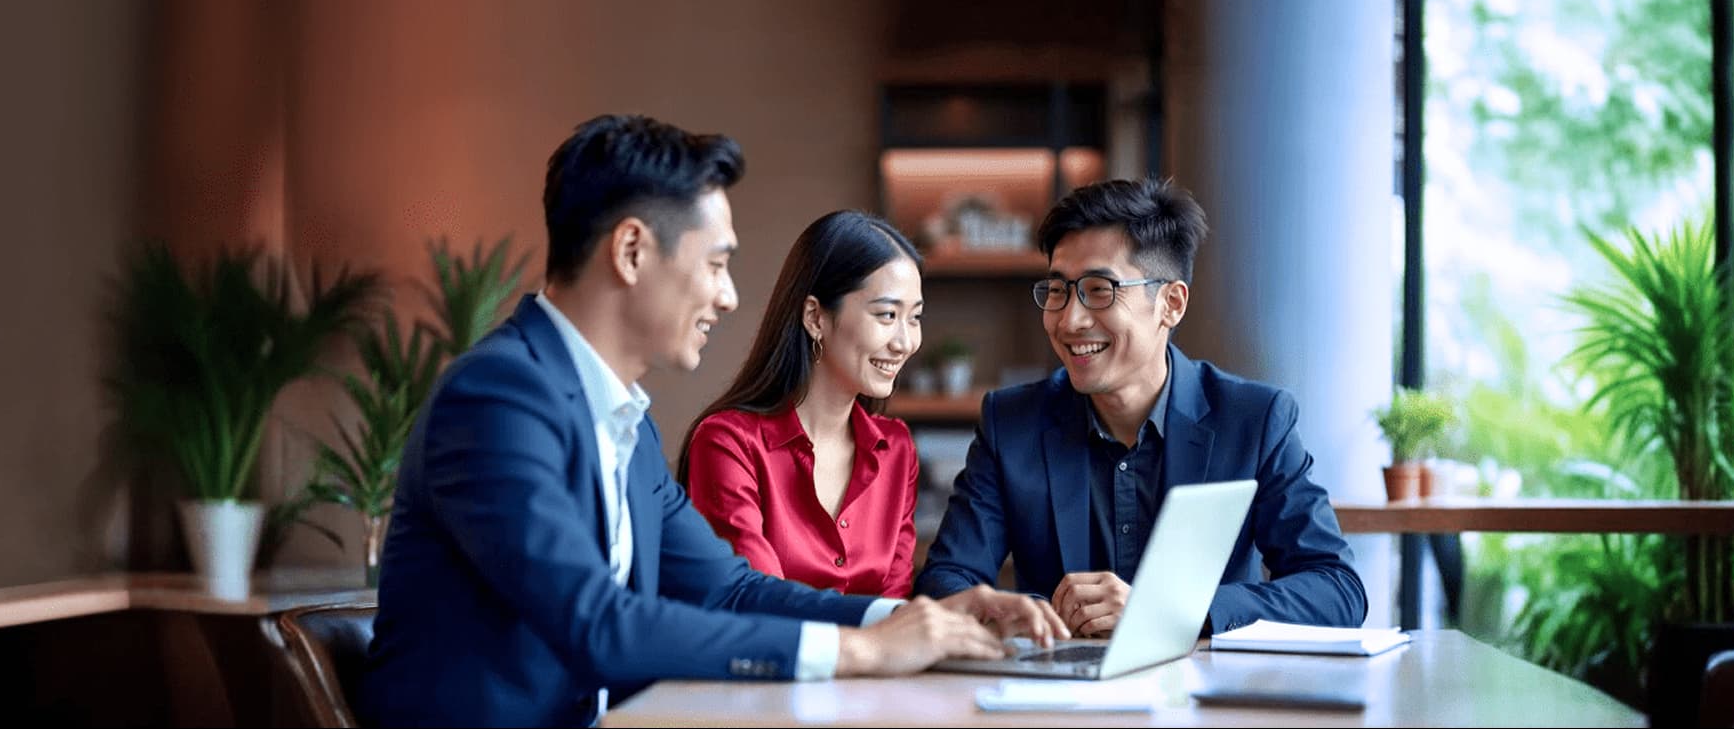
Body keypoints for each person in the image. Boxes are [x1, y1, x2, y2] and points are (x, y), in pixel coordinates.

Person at [359, 115, 1064, 728]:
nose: (728, 297)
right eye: (717, 263)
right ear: (632, 250)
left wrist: (910, 621)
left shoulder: (619, 419)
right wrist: (862, 650)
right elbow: (596, 622)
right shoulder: (498, 395)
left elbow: (729, 587)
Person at [915, 177, 1366, 638]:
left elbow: (1336, 590)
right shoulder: (1012, 423)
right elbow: (945, 582)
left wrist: (1171, 611)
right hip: (1058, 699)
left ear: (1170, 303)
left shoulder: (1254, 420)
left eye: (1099, 289)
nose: (1070, 320)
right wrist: (1029, 612)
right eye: (1057, 290)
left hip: (1205, 698)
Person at [682, 210, 933, 599]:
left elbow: (894, 602)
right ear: (816, 317)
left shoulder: (896, 449)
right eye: (887, 315)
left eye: (914, 318)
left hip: (881, 661)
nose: (904, 342)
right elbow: (753, 599)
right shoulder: (728, 443)